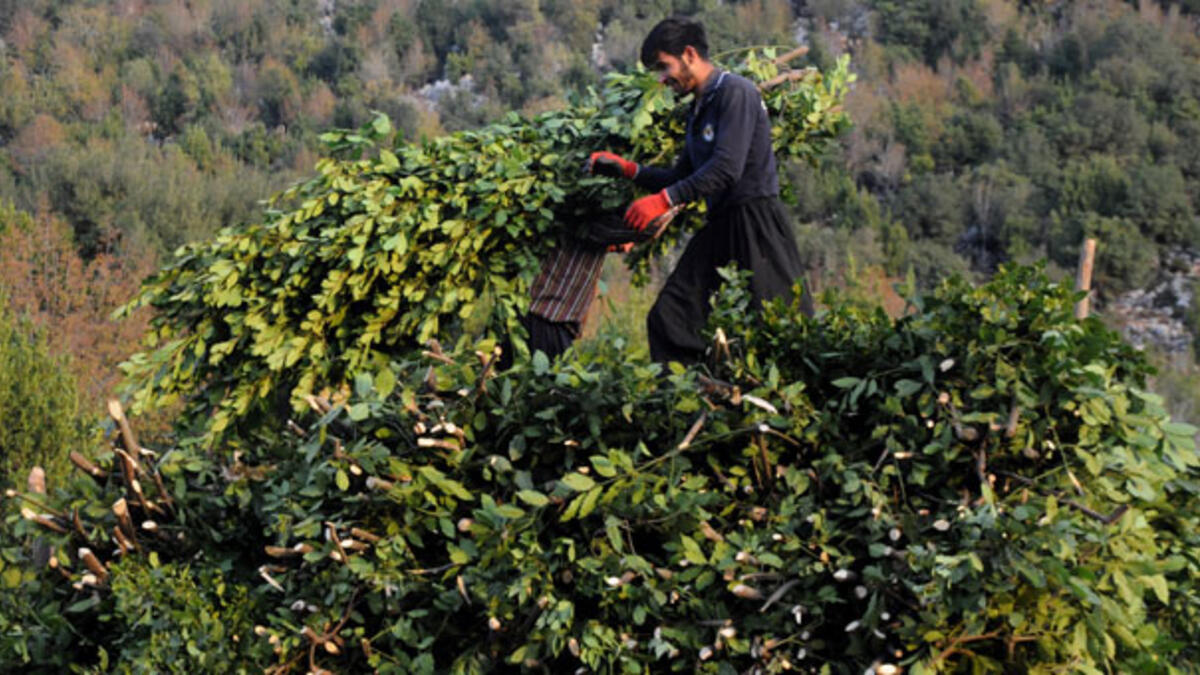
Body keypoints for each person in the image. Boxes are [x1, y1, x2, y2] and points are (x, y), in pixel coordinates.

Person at [587, 16, 812, 365]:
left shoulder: (736, 92)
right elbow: (683, 175)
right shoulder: (697, 110)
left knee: (781, 328)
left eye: (665, 66)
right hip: (720, 224)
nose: (663, 79)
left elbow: (725, 169)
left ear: (689, 54)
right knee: (669, 317)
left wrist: (663, 201)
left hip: (757, 222)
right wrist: (629, 170)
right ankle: (694, 399)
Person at [498, 210, 672, 368]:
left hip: (530, 311)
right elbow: (648, 227)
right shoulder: (586, 213)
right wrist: (680, 192)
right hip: (547, 318)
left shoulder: (570, 210)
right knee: (554, 394)